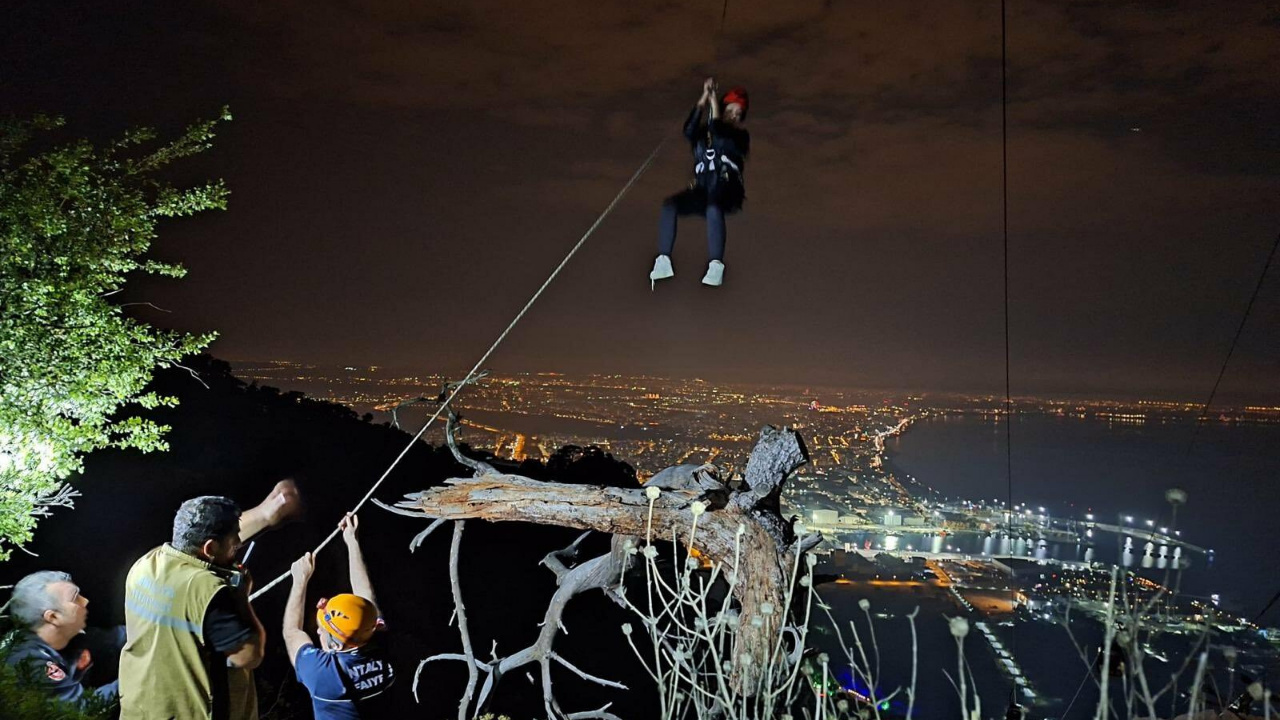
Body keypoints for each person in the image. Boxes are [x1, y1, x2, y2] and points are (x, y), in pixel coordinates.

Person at [118, 480, 302, 720]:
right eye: (234, 543)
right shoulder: (209, 590)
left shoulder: (148, 563)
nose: (238, 545)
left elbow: (203, 547)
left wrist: (267, 512)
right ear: (209, 548)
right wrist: (239, 596)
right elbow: (248, 655)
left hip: (141, 708)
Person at [284, 513, 394, 719]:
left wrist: (300, 581)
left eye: (322, 630)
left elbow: (292, 632)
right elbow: (365, 598)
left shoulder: (322, 674)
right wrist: (351, 541)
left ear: (335, 645)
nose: (318, 631)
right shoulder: (384, 646)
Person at [650, 76, 751, 289]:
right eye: (731, 110)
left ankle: (716, 264)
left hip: (727, 188)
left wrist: (715, 105)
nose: (734, 115)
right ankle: (663, 261)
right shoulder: (703, 134)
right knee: (670, 206)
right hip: (703, 188)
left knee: (714, 207)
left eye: (738, 113)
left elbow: (719, 135)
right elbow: (689, 130)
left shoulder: (739, 136)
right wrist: (704, 98)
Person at [4, 570, 125, 706]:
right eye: (75, 598)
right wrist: (137, 677)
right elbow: (82, 710)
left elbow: (115, 638)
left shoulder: (70, 637)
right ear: (53, 617)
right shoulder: (29, 662)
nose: (85, 601)